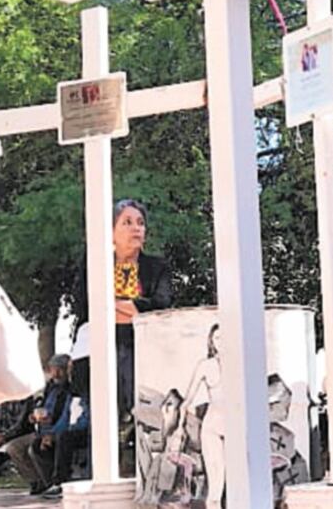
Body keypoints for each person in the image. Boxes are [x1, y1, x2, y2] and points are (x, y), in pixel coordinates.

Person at [75, 199, 173, 425]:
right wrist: (132, 309)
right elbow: (85, 305)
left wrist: (109, 303)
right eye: (127, 222)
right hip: (101, 346)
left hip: (143, 347)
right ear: (111, 232)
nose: (136, 228)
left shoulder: (157, 267)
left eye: (140, 223)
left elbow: (160, 306)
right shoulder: (94, 266)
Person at [7, 355, 72, 495]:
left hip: (56, 430)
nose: (56, 374)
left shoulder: (69, 390)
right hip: (41, 430)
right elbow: (41, 406)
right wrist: (33, 417)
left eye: (59, 370)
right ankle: (37, 481)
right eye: (53, 369)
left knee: (35, 448)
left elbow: (66, 416)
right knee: (14, 447)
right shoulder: (50, 388)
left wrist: (51, 432)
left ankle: (52, 483)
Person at [182, 323, 225, 508]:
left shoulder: (239, 363)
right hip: (213, 425)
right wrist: (178, 428)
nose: (220, 342)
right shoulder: (206, 365)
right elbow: (187, 399)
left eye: (223, 337)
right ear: (211, 342)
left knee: (239, 478)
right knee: (215, 482)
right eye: (217, 338)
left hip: (235, 425)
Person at [37, 357, 92, 498]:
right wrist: (50, 433)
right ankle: (50, 482)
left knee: (65, 438)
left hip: (86, 430)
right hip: (66, 428)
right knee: (39, 446)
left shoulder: (85, 393)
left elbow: (85, 418)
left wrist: (58, 433)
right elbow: (64, 417)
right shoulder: (67, 392)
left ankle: (60, 481)